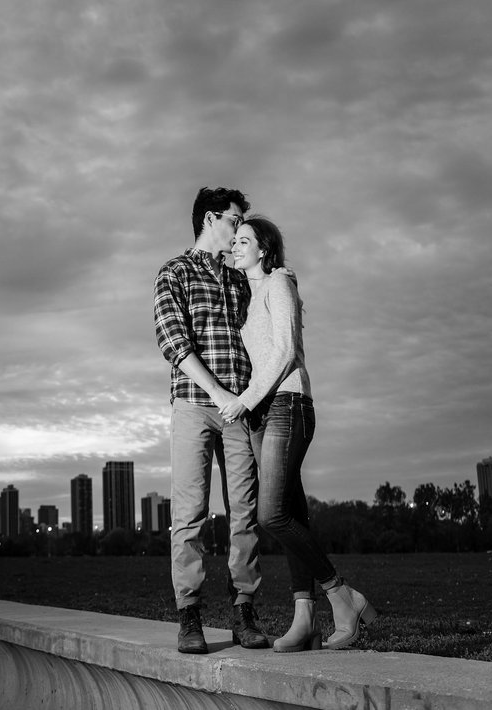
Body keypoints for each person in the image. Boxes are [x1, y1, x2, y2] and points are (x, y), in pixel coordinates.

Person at [220, 216, 377, 652]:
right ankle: (305, 618)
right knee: (293, 514)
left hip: (287, 406)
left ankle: (343, 596)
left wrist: (244, 400)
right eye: (233, 241)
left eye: (243, 241)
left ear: (265, 249)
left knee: (272, 514)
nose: (235, 246)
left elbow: (286, 351)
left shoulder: (278, 284)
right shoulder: (250, 297)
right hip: (262, 414)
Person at [153, 187, 268, 654]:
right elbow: (173, 341)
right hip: (194, 405)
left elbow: (264, 325)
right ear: (209, 219)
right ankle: (189, 615)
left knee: (246, 513)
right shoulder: (173, 273)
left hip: (240, 408)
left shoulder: (240, 276)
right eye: (235, 220)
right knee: (189, 514)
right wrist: (217, 391)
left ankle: (244, 609)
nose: (241, 229)